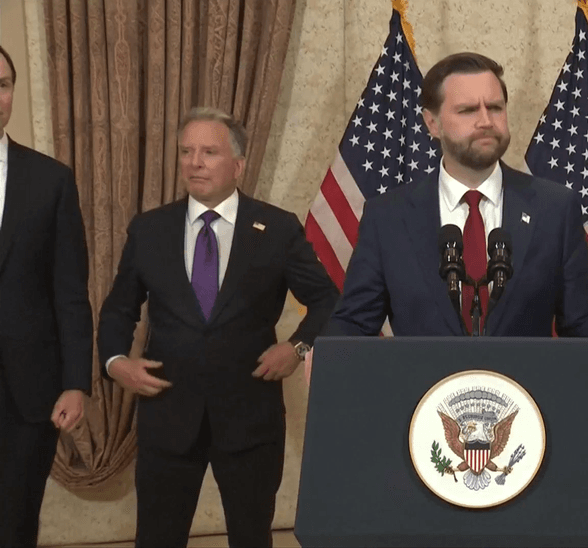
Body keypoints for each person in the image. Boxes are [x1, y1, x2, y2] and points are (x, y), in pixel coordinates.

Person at [98, 107, 339, 548]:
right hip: (168, 415)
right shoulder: (150, 230)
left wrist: (297, 348)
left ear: (238, 165)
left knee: (251, 537)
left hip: (249, 420)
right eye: (186, 151)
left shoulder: (277, 228)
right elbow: (118, 309)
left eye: (209, 152)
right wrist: (116, 362)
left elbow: (327, 300)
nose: (195, 163)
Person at [322, 51, 588, 374]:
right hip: (423, 401)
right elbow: (354, 323)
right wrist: (324, 358)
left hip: (525, 399)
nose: (485, 121)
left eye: (495, 107)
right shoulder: (388, 217)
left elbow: (583, 320)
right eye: (467, 110)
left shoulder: (554, 209)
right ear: (432, 124)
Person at [0, 45, 93, 547]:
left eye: (2, 85)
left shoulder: (50, 180)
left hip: (26, 393)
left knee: (14, 526)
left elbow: (70, 292)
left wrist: (76, 382)